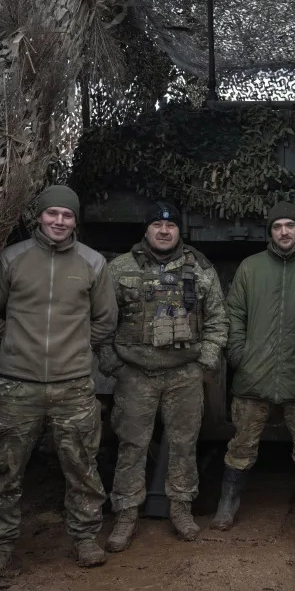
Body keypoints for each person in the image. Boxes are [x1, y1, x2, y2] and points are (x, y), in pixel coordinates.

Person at [0, 185, 117, 576]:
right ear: (39, 216)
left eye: (67, 215)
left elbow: (105, 320)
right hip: (17, 386)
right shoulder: (12, 259)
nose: (59, 221)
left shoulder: (92, 264)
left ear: (76, 221)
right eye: (52, 213)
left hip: (73, 385)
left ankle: (86, 538)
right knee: (5, 469)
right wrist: (16, 342)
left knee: (82, 466)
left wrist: (76, 348)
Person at [100, 201, 228, 552]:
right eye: (156, 224)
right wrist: (114, 365)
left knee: (184, 445)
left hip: (183, 373)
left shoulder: (199, 267)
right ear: (146, 230)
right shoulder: (119, 268)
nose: (163, 230)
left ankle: (181, 508)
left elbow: (217, 320)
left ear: (178, 231)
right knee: (131, 445)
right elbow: (100, 321)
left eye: (170, 226)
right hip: (135, 374)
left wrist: (203, 362)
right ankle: (125, 514)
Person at [210, 202, 295, 531]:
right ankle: (226, 507)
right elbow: (234, 315)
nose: (284, 231)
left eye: (290, 225)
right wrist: (238, 355)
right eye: (278, 226)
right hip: (253, 376)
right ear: (270, 231)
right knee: (241, 446)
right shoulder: (251, 268)